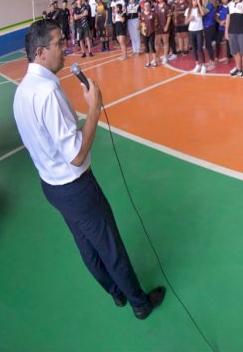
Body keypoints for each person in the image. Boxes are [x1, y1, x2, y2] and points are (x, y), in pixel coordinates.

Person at [13, 20, 165, 319]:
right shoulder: (47, 93)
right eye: (59, 43)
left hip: (51, 185)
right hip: (75, 187)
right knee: (110, 246)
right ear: (41, 51)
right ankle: (139, 303)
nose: (65, 49)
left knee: (86, 244)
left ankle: (116, 292)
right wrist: (93, 109)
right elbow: (77, 155)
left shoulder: (23, 90)